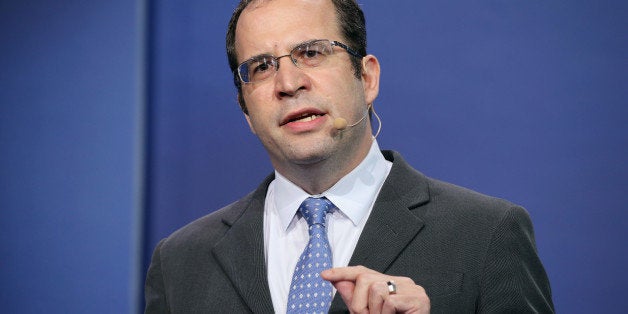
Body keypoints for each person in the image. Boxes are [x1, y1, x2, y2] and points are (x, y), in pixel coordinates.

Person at [144, 0, 554, 313]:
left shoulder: (486, 235)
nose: (288, 83)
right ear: (246, 110)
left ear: (367, 77)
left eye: (312, 52)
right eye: (262, 66)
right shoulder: (181, 261)